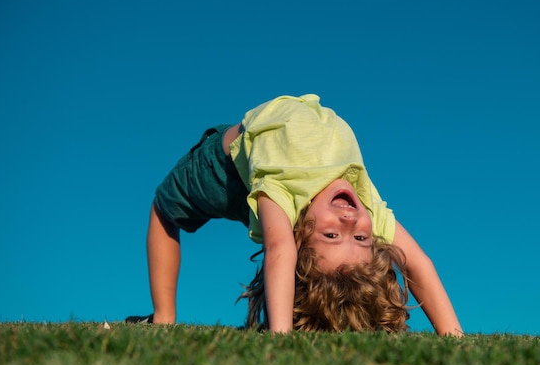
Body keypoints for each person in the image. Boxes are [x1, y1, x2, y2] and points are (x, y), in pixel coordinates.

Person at [126, 94, 463, 336]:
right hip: (251, 174)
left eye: (331, 236)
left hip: (222, 172)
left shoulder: (282, 189)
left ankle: (163, 318)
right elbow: (417, 261)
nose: (349, 221)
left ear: (298, 234)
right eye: (360, 238)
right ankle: (164, 317)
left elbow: (280, 250)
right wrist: (454, 337)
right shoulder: (364, 206)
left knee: (164, 210)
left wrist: (280, 337)